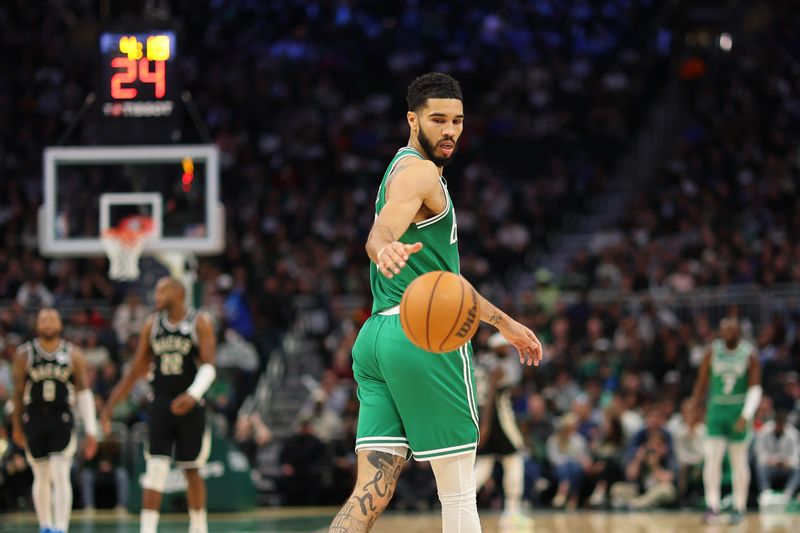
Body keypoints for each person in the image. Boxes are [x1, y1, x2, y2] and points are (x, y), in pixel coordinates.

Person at [328, 72, 543, 533]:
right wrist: (381, 246)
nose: (449, 131)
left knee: (372, 489)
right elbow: (381, 231)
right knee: (460, 492)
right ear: (412, 119)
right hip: (423, 339)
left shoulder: (399, 167)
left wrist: (503, 323)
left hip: (376, 339)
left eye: (458, 121)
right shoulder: (420, 172)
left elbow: (446, 283)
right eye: (438, 120)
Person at [100, 277, 217, 533]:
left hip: (190, 404)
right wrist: (109, 406)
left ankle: (199, 528)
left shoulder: (199, 321)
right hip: (161, 403)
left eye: (161, 290)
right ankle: (147, 530)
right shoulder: (152, 325)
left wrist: (193, 394)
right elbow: (135, 371)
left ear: (179, 292)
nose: (156, 296)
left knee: (192, 469)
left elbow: (209, 366)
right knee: (155, 468)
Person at [11, 308, 98, 533]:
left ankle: (61, 527)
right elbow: (18, 394)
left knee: (60, 472)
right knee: (40, 474)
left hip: (62, 417)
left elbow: (84, 393)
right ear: (37, 326)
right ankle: (45, 525)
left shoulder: (73, 353)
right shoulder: (25, 354)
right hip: (34, 417)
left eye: (52, 319)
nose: (48, 322)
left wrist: (91, 429)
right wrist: (16, 426)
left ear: (60, 325)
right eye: (43, 319)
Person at [691, 318, 762, 525]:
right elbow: (701, 382)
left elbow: (755, 387)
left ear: (739, 331)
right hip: (716, 408)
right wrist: (694, 409)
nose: (729, 333)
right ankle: (712, 505)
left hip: (738, 409)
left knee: (738, 460)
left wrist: (747, 414)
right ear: (720, 332)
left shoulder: (749, 354)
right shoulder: (712, 351)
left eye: (732, 329)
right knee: (712, 459)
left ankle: (739, 507)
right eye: (725, 330)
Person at [473, 333, 529, 523]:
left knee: (484, 463)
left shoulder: (479, 362)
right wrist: (487, 424)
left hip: (483, 414)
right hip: (497, 417)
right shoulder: (499, 366)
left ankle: (461, 500)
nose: (507, 348)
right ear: (495, 347)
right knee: (514, 460)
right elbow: (491, 396)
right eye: (503, 346)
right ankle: (512, 510)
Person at [754, 408, 800, 505]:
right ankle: (765, 493)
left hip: (786, 468)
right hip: (770, 467)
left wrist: (786, 462)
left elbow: (796, 458)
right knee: (760, 466)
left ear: (785, 424)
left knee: (798, 469)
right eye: (777, 424)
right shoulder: (764, 431)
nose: (779, 426)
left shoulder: (793, 434)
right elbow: (760, 454)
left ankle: (788, 493)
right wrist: (771, 460)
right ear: (774, 423)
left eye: (781, 424)